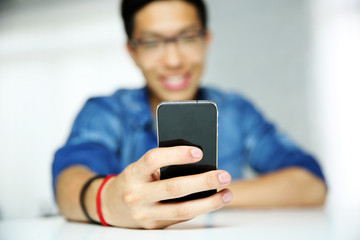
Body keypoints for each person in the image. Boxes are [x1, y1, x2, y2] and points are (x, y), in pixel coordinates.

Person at [52, 0, 327, 229]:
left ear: (206, 40)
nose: (173, 60)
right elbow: (69, 180)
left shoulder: (235, 111)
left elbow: (311, 184)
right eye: (151, 42)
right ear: (132, 51)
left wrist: (207, 193)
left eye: (187, 37)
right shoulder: (105, 112)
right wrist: (111, 201)